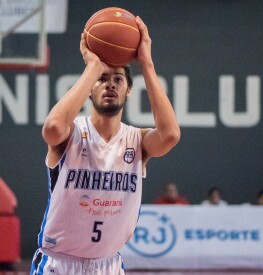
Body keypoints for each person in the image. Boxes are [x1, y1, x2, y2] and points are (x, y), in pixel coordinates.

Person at [30, 16, 180, 275]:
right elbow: (52, 128)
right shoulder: (72, 133)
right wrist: (92, 68)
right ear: (89, 88)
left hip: (108, 265)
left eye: (118, 79)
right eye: (102, 79)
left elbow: (169, 135)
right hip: (59, 264)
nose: (110, 83)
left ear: (129, 90)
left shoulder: (137, 140)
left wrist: (146, 63)